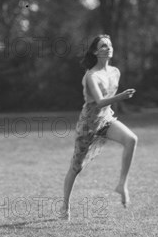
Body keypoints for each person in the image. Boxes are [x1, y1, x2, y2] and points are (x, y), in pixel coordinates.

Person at [59, 34, 138, 220]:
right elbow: (100, 102)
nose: (108, 48)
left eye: (110, 45)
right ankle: (65, 206)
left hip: (106, 120)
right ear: (95, 51)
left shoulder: (115, 72)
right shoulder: (90, 75)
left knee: (131, 139)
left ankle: (122, 185)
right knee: (75, 167)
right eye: (103, 46)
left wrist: (117, 102)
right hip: (88, 124)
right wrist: (122, 97)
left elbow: (106, 106)